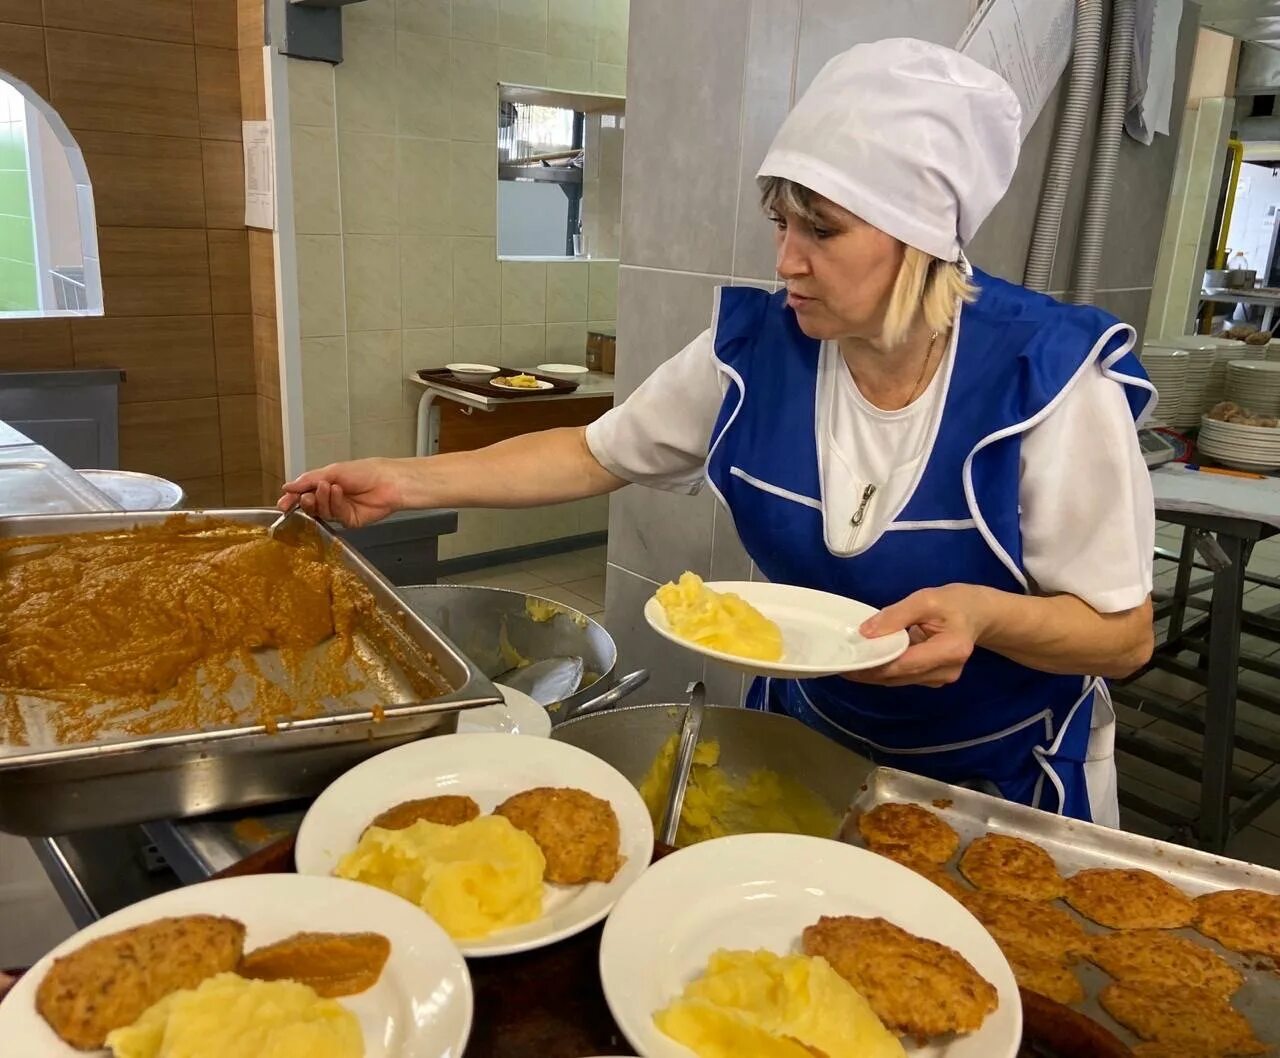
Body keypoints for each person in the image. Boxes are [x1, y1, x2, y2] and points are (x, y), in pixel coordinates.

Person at [281, 39, 1155, 826]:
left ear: (921, 235)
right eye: (782, 223)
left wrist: (986, 615)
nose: (786, 262)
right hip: (804, 754)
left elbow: (1123, 637)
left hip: (995, 788)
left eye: (822, 229)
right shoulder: (756, 350)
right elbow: (593, 453)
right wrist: (406, 481)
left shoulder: (1049, 382)